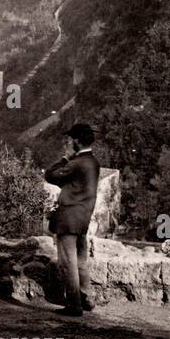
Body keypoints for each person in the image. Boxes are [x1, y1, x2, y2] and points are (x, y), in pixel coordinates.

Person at [44, 123, 101, 316]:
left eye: (71, 139)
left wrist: (64, 157)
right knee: (81, 260)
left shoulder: (76, 163)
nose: (69, 142)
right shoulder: (93, 162)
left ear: (76, 141)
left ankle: (74, 305)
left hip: (68, 218)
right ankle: (87, 298)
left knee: (68, 262)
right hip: (83, 218)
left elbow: (50, 175)